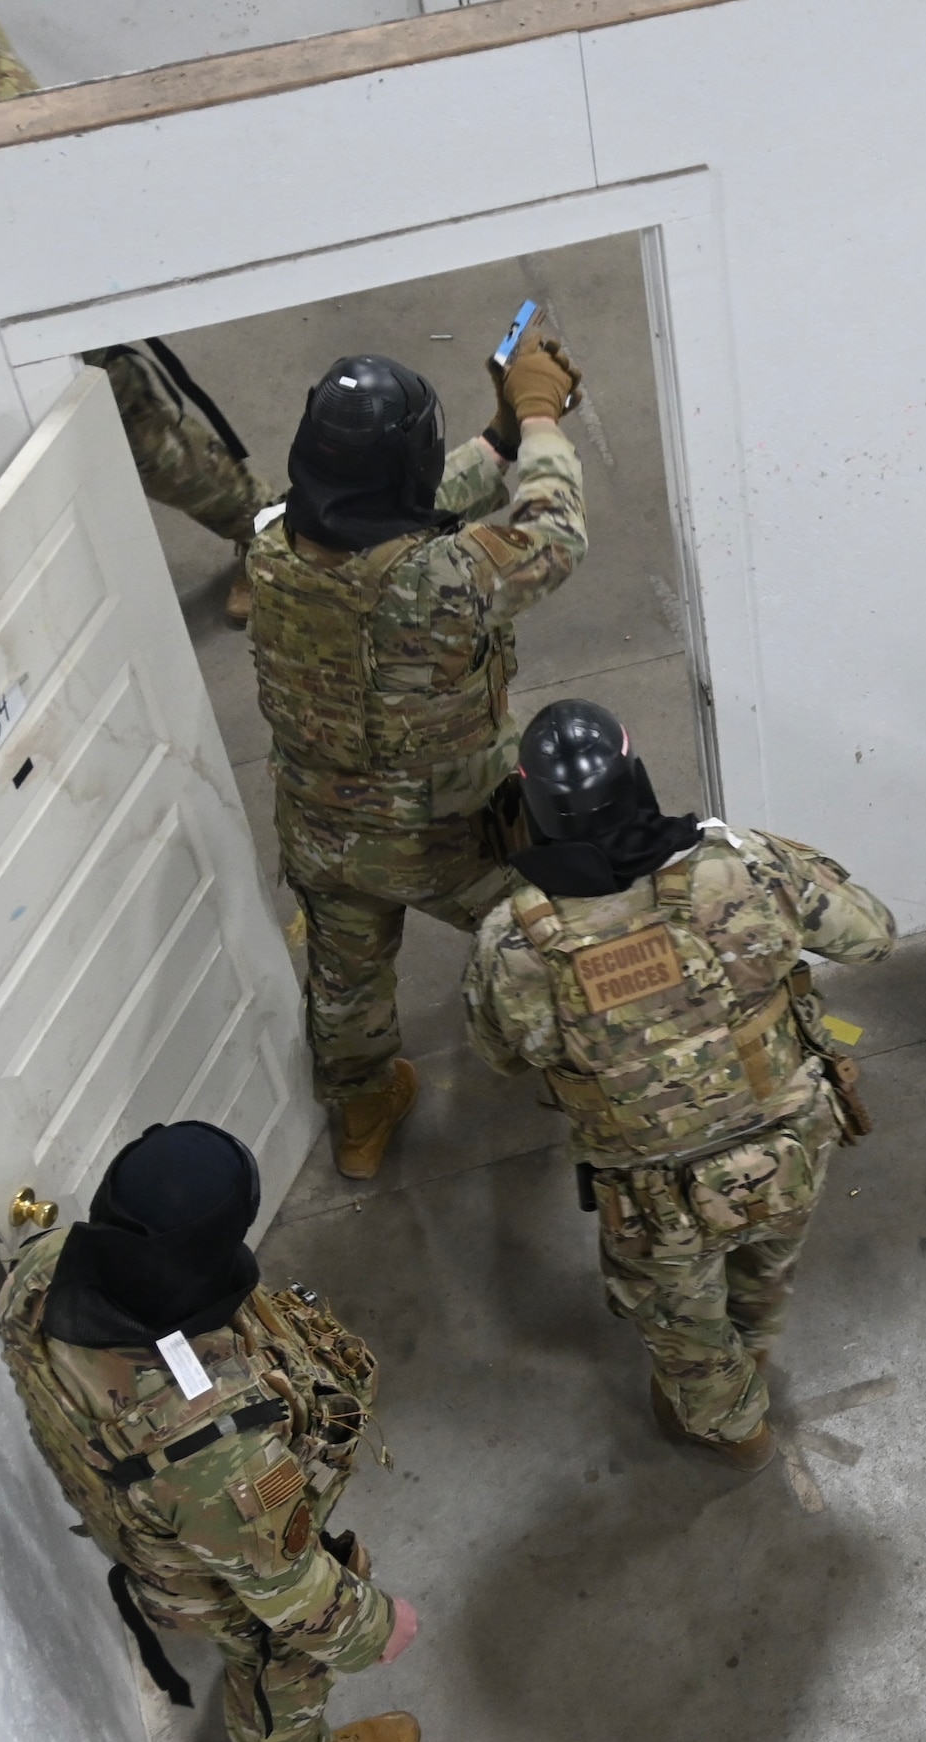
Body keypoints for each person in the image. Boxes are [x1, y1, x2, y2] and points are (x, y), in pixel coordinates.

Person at [462, 700, 896, 1469]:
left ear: (531, 807)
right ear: (636, 778)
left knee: (683, 1323)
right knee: (766, 1259)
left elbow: (501, 1055)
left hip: (651, 1190)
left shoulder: (514, 942)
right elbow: (873, 936)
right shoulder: (744, 866)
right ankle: (754, 1350)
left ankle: (734, 1428)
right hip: (787, 1142)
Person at [0, 1120, 420, 1742]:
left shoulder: (42, 1267)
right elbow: (293, 1596)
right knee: (279, 1652)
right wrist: (377, 1627)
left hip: (128, 1503)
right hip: (204, 1569)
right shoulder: (220, 1450)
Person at [248, 332, 588, 1177]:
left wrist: (498, 441)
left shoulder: (270, 548)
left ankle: (363, 1120)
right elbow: (555, 536)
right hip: (450, 837)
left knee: (344, 983)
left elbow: (401, 508)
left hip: (324, 832)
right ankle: (580, 1075)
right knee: (560, 939)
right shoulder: (447, 579)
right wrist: (540, 416)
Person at [0, 0, 274, 624]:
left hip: (47, 297)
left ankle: (270, 533)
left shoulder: (14, 135)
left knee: (150, 447)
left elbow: (61, 242)